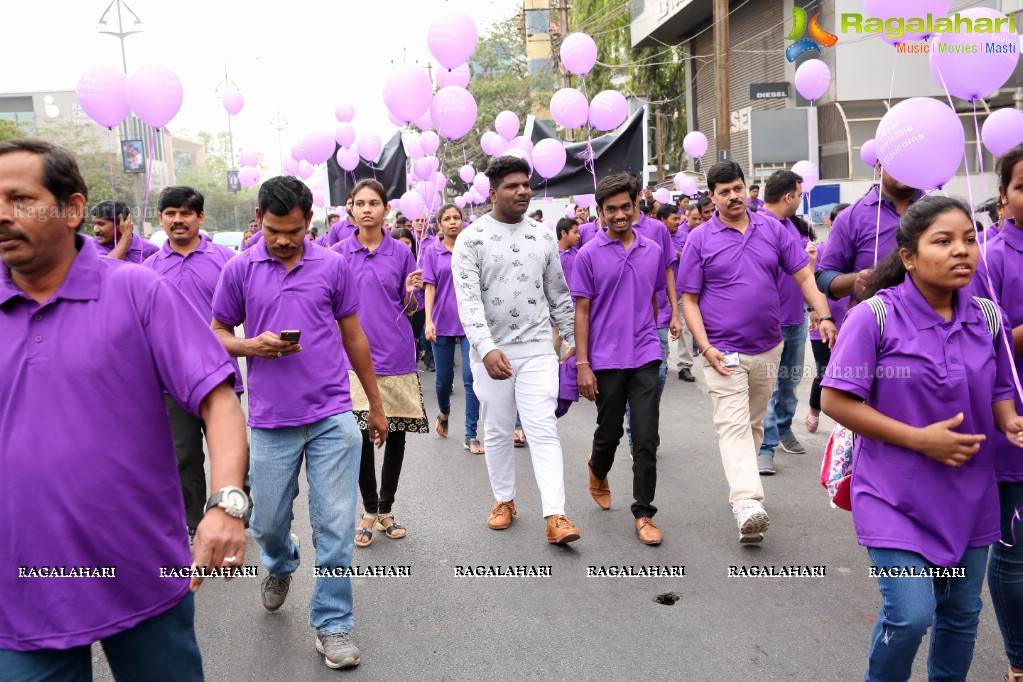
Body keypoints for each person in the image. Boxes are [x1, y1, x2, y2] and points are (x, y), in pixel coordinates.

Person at [0, 139, 248, 678]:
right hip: (19, 594)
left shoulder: (138, 291)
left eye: (20, 199)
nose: (3, 214)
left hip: (139, 571)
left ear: (72, 209)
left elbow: (218, 398)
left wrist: (226, 504)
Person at [821, 196, 1023, 682]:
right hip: (894, 496)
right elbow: (835, 400)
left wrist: (1008, 420)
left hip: (971, 495)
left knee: (960, 613)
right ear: (908, 256)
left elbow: (997, 383)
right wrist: (919, 439)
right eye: (944, 241)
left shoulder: (987, 317)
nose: (962, 251)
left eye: (970, 240)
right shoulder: (874, 317)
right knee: (910, 615)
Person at [211, 175, 386, 670]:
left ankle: (333, 625)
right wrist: (251, 346)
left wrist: (373, 403)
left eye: (292, 230)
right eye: (272, 230)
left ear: (309, 220)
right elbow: (218, 332)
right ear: (259, 221)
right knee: (266, 522)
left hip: (332, 416)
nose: (283, 239)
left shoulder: (333, 266)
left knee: (334, 527)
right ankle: (280, 564)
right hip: (270, 423)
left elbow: (354, 337)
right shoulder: (240, 268)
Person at [678, 161, 836, 544]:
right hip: (722, 351)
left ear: (746, 187)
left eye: (738, 188)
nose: (733, 196)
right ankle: (748, 502)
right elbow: (690, 300)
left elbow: (803, 276)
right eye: (724, 191)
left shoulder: (773, 229)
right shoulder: (700, 240)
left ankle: (742, 494)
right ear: (712, 197)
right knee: (732, 424)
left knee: (751, 422)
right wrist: (705, 347)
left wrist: (824, 314)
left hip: (768, 348)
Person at [451, 155, 581, 544]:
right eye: (513, 186)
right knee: (497, 429)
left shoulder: (542, 235)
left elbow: (558, 293)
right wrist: (487, 349)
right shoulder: (470, 239)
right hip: (490, 355)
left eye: (526, 184)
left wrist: (574, 341)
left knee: (542, 429)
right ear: (493, 193)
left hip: (538, 348)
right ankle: (504, 501)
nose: (523, 190)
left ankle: (556, 515)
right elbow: (468, 302)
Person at [143, 185, 244, 537]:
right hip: (172, 381)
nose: (178, 220)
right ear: (161, 218)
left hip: (221, 376)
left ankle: (234, 517)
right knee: (184, 457)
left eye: (186, 213)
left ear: (200, 217)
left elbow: (249, 309)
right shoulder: (148, 268)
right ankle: (196, 526)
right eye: (170, 213)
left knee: (231, 452)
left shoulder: (225, 261)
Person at [333, 179, 428, 547]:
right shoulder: (337, 252)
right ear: (351, 209)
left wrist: (413, 293)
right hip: (351, 360)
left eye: (375, 202)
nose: (368, 209)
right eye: (361, 203)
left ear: (386, 209)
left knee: (397, 434)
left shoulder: (402, 253)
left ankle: (387, 507)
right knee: (357, 436)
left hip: (396, 352)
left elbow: (409, 308)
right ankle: (369, 510)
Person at [573, 173, 667, 545]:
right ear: (600, 212)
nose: (619, 215)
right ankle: (597, 469)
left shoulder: (654, 250)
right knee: (609, 433)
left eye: (625, 207)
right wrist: (583, 364)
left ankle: (643, 512)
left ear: (635, 207)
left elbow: (654, 296)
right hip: (606, 359)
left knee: (646, 437)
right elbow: (582, 311)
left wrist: (655, 330)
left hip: (645, 353)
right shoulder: (588, 255)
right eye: (610, 209)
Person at [968, 145, 1023, 682]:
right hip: (1014, 420)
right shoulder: (988, 258)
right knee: (1014, 555)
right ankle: (1020, 659)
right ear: (1003, 196)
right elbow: (987, 343)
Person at [756, 170, 818, 473]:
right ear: (788, 197)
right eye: (799, 193)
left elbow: (802, 273)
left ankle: (783, 428)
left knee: (790, 380)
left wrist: (815, 307)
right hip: (768, 320)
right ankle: (765, 445)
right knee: (767, 386)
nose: (800, 199)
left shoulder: (791, 227)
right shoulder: (756, 225)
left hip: (796, 316)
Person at [425, 203, 482, 454]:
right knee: (443, 381)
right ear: (440, 224)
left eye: (456, 217)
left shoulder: (472, 249)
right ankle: (444, 412)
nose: (452, 222)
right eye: (447, 218)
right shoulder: (431, 252)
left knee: (471, 379)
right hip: (442, 322)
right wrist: (428, 320)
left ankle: (471, 434)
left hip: (471, 322)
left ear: (462, 221)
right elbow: (430, 288)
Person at [805, 202, 849, 433]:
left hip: (852, 322)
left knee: (850, 372)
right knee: (824, 371)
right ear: (831, 222)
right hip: (823, 321)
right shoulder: (818, 250)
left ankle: (842, 418)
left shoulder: (859, 250)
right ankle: (814, 408)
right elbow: (807, 282)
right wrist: (813, 309)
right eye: (841, 220)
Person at [659, 203, 695, 383]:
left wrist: (680, 255)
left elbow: (694, 260)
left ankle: (685, 366)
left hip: (681, 290)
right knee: (660, 328)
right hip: (659, 292)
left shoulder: (685, 236)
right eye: (674, 219)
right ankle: (661, 362)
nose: (677, 222)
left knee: (686, 328)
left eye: (678, 218)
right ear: (662, 220)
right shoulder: (653, 235)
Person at [91, 200, 159, 262]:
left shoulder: (150, 250)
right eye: (94, 224)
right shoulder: (91, 246)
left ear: (122, 223)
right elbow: (107, 268)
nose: (95, 230)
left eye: (101, 224)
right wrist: (126, 238)